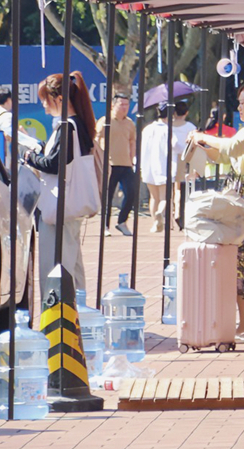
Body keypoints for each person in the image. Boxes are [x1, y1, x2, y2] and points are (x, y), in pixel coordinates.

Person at [187, 79, 244, 342]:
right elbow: (224, 156)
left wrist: (203, 136)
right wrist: (202, 148)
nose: (238, 107)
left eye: (242, 102)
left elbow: (230, 148)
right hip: (239, 195)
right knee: (239, 261)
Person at [26, 72, 99, 292]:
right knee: (72, 266)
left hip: (60, 208)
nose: (44, 106)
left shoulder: (67, 127)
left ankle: (57, 318)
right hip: (71, 207)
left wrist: (30, 157)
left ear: (59, 99)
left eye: (45, 101)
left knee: (55, 267)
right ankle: (77, 315)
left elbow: (55, 164)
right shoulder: (80, 125)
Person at [140, 99, 193, 233]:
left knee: (153, 197)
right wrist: (186, 151)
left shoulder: (147, 129)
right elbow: (176, 146)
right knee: (165, 198)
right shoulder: (168, 130)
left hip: (148, 167)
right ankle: (160, 213)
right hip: (164, 167)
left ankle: (155, 222)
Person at [96, 88, 137, 236]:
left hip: (125, 164)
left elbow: (132, 141)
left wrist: (132, 159)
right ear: (113, 105)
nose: (125, 107)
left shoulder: (130, 123)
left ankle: (122, 222)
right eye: (121, 104)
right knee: (107, 196)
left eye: (127, 105)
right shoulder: (105, 121)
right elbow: (96, 140)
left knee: (131, 192)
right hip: (109, 164)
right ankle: (104, 226)